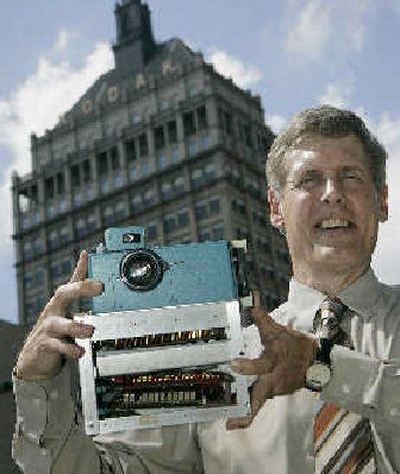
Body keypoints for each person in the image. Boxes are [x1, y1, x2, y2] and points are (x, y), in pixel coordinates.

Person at [12, 106, 400, 473]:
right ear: (276, 208)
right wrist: (42, 392)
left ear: (381, 200)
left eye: (351, 176)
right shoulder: (215, 352)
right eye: (309, 180)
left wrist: (323, 366)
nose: (332, 193)